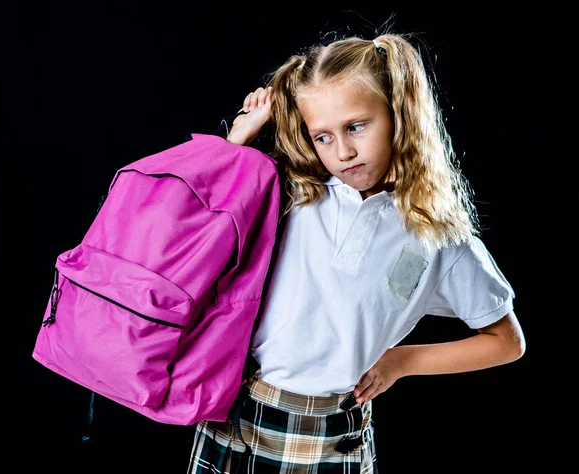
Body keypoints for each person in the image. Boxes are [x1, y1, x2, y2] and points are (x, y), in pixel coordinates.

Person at [186, 31, 526, 474]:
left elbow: (506, 342)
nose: (342, 152)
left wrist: (401, 361)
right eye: (322, 137)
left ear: (398, 114)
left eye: (356, 127)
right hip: (237, 418)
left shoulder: (440, 238)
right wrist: (238, 140)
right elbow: (194, 229)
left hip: (331, 438)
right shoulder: (293, 194)